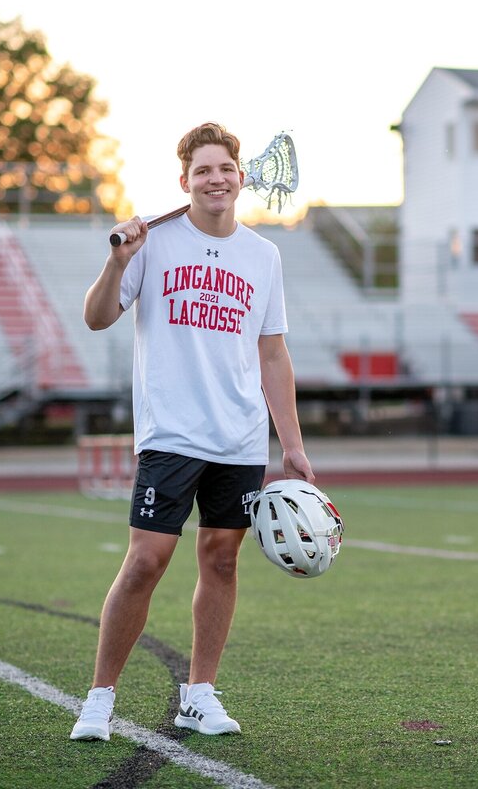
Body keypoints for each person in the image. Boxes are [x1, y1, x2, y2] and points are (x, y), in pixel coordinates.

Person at [70, 122, 314, 741]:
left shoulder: (264, 255)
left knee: (222, 560)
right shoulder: (151, 241)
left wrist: (292, 443)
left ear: (240, 176)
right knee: (146, 561)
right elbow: (97, 319)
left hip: (237, 437)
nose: (216, 179)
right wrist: (116, 258)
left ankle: (199, 693)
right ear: (185, 181)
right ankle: (100, 698)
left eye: (225, 169)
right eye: (202, 171)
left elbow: (274, 355)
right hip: (169, 434)